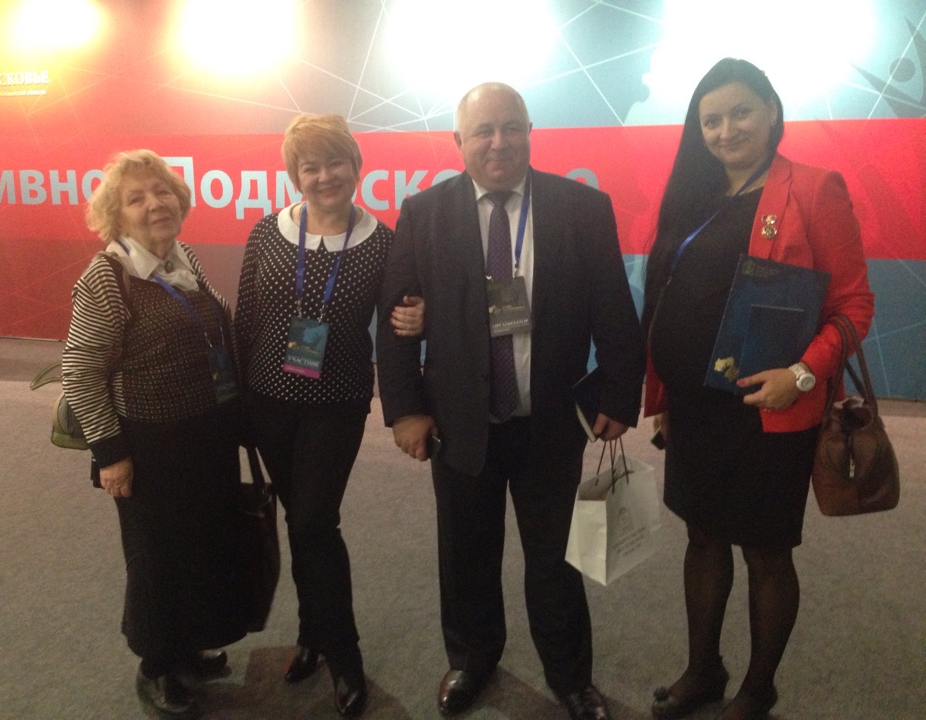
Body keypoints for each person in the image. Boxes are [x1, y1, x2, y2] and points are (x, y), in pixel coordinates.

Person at [376, 82, 646, 720]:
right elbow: (396, 319)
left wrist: (619, 393)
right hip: (459, 420)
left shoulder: (582, 208)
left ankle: (570, 677)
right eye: (484, 131)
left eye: (511, 127)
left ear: (529, 132)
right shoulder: (424, 213)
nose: (499, 142)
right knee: (465, 553)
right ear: (459, 142)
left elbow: (614, 309)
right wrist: (406, 409)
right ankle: (472, 660)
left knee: (556, 559)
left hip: (549, 420)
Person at [641, 59, 874, 720]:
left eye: (740, 112)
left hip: (769, 411)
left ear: (771, 110)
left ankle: (758, 688)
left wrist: (800, 375)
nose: (726, 130)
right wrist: (663, 400)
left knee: (765, 552)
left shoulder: (814, 189)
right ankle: (703, 670)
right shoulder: (694, 193)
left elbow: (854, 307)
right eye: (711, 119)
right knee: (703, 538)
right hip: (695, 409)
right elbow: (667, 299)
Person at [233, 114, 422, 717]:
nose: (324, 176)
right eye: (309, 167)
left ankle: (344, 653)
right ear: (295, 175)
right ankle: (312, 632)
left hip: (335, 404)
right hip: (267, 401)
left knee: (316, 521)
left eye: (334, 162)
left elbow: (402, 324)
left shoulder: (383, 242)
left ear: (356, 167)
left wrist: (421, 318)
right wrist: (237, 407)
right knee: (300, 522)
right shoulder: (268, 232)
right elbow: (245, 320)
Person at [63, 149, 249, 720]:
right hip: (148, 446)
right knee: (156, 559)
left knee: (199, 547)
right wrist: (111, 455)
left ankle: (187, 646)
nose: (155, 204)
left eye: (162, 191)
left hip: (204, 436)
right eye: (136, 198)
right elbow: (81, 371)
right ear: (115, 216)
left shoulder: (180, 258)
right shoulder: (108, 276)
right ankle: (157, 665)